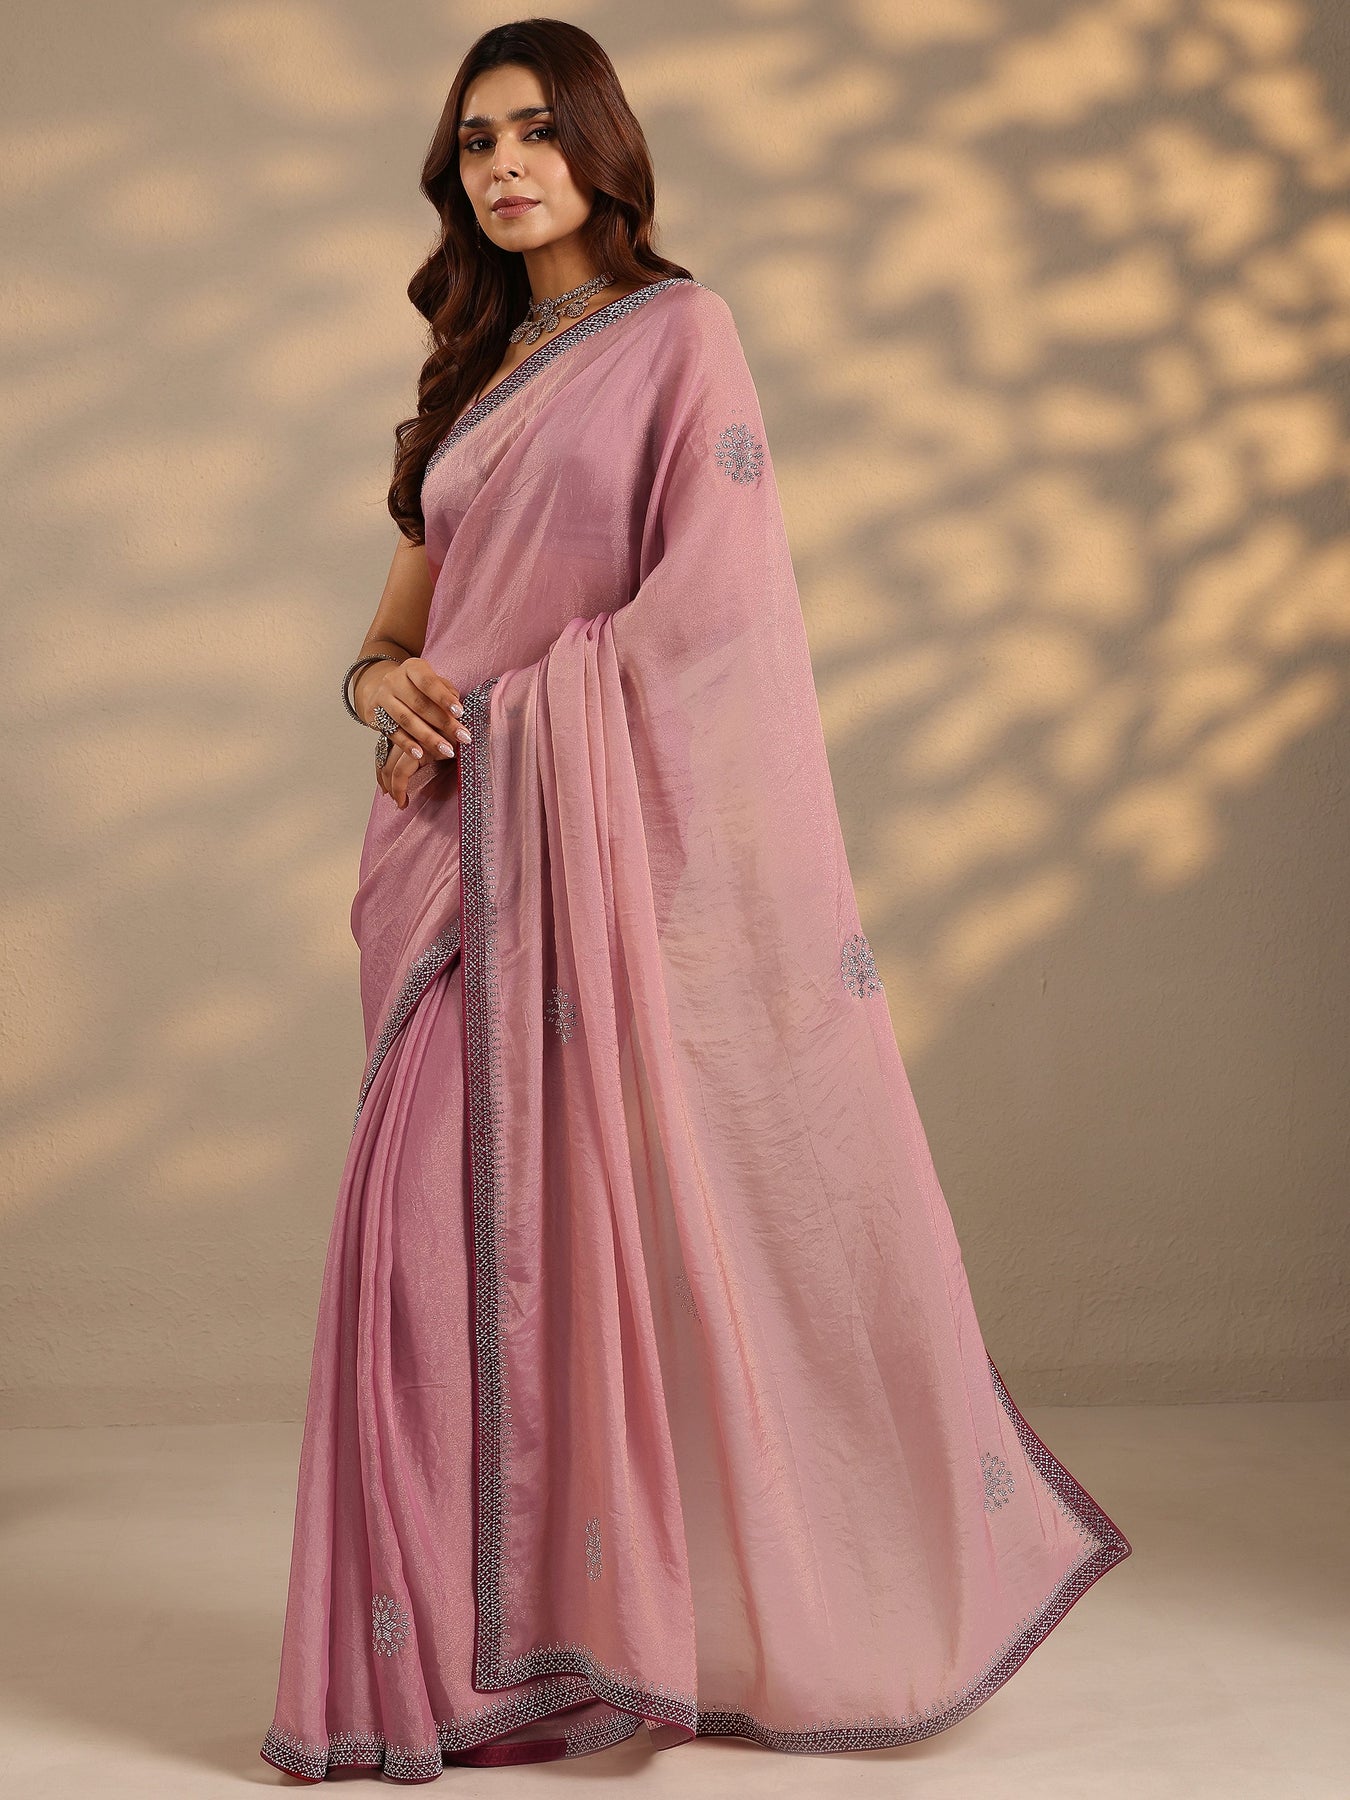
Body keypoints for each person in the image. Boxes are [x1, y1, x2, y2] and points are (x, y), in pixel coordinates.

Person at [260, 17, 1130, 1785]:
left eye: (533, 131)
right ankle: (439, 1673)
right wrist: (379, 690)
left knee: (563, 1256)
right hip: (444, 868)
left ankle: (583, 1645)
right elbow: (391, 634)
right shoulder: (472, 376)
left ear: (598, 145)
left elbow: (716, 618)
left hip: (575, 864)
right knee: (415, 1275)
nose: (505, 166)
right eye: (475, 143)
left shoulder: (679, 336)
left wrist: (515, 716)